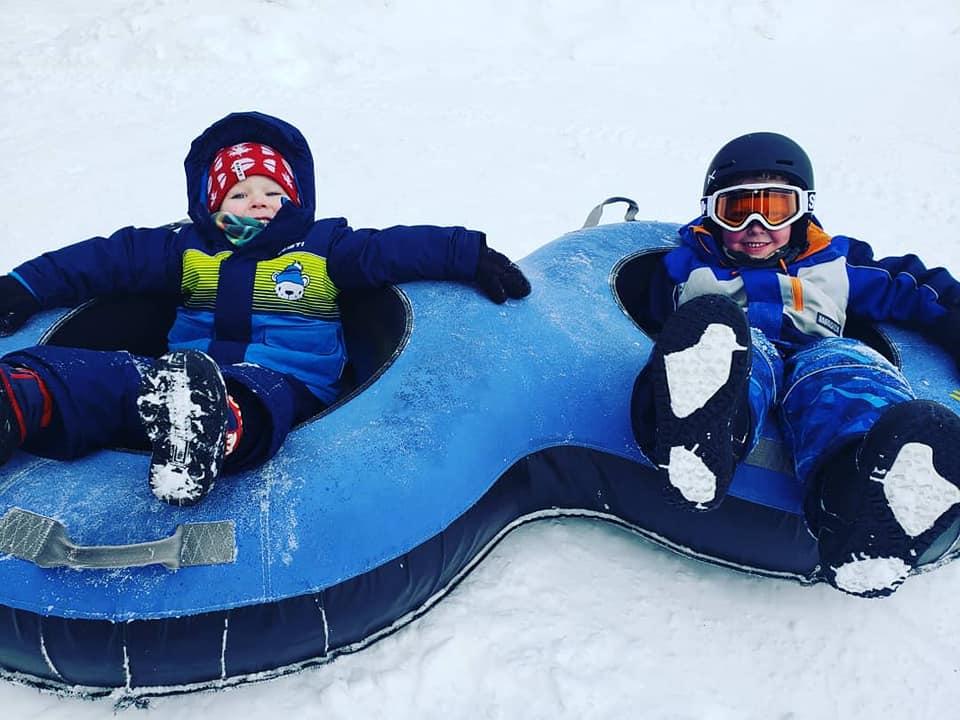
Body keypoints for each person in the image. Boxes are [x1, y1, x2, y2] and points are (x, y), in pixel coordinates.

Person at [0, 111, 530, 506]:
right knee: (110, 374)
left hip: (287, 381)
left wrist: (466, 252)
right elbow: (103, 259)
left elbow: (390, 249)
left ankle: (213, 430)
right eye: (239, 193)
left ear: (295, 199)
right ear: (211, 206)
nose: (257, 200)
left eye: (272, 190)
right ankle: (21, 399)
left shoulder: (324, 247)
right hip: (177, 380)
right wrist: (23, 285)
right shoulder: (183, 249)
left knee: (260, 396)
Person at [631, 131, 960, 598]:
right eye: (737, 210)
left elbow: (917, 287)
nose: (757, 224)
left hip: (816, 357)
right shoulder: (684, 266)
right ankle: (704, 439)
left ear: (803, 209)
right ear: (711, 213)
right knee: (728, 348)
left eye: (777, 208)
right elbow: (637, 330)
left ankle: (863, 501)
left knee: (850, 369)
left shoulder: (837, 261)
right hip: (743, 352)